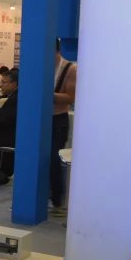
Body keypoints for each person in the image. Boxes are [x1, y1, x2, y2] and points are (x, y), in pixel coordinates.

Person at [50, 40, 77, 216]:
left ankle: (57, 201)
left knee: (53, 159)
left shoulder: (70, 68)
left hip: (58, 119)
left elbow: (71, 97)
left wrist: (48, 94)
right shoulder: (41, 66)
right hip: (39, 119)